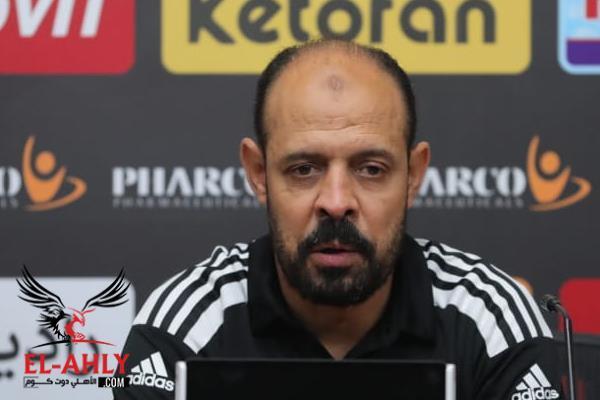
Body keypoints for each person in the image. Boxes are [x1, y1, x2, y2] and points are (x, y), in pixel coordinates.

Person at [114, 39, 562, 400]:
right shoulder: (184, 331)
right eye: (303, 169)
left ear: (413, 174)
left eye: (371, 169)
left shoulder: (490, 320)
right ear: (258, 173)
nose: (336, 202)